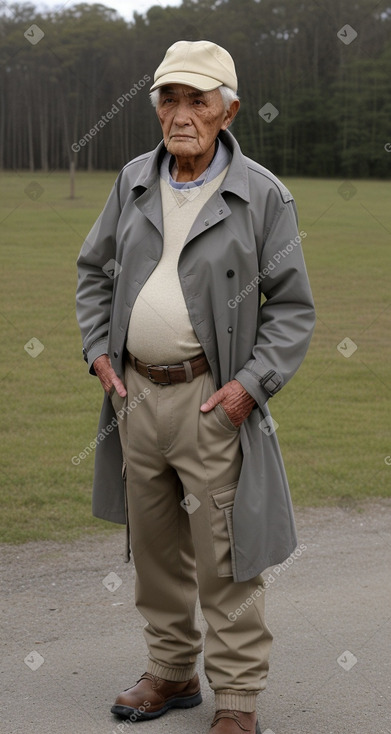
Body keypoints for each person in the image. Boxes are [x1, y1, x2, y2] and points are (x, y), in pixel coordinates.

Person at [76, 40, 315, 734]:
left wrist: (249, 385)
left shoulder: (260, 194)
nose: (180, 114)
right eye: (168, 98)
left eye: (197, 99)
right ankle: (171, 670)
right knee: (153, 550)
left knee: (226, 555)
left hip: (216, 402)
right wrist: (98, 352)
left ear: (228, 110)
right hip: (135, 398)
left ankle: (236, 700)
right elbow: (93, 270)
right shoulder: (133, 181)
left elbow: (292, 306)